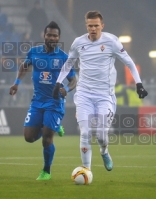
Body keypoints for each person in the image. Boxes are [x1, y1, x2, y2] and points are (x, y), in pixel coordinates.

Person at [52, 11, 148, 172]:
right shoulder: (78, 43)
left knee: (102, 135)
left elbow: (129, 63)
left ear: (102, 26)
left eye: (96, 25)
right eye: (90, 25)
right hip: (84, 95)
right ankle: (86, 170)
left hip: (105, 96)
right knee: (85, 133)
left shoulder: (112, 42)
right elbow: (68, 64)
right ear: (86, 26)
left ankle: (104, 151)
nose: (93, 29)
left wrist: (139, 84)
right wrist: (57, 82)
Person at [9, 21, 77, 180]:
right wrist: (16, 83)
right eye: (49, 35)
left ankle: (46, 171)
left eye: (55, 35)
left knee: (47, 138)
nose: (52, 38)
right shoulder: (34, 52)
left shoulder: (64, 58)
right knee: (29, 137)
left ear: (59, 38)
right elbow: (24, 67)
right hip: (37, 102)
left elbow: (74, 80)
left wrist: (66, 89)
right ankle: (53, 126)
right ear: (44, 36)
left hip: (55, 102)